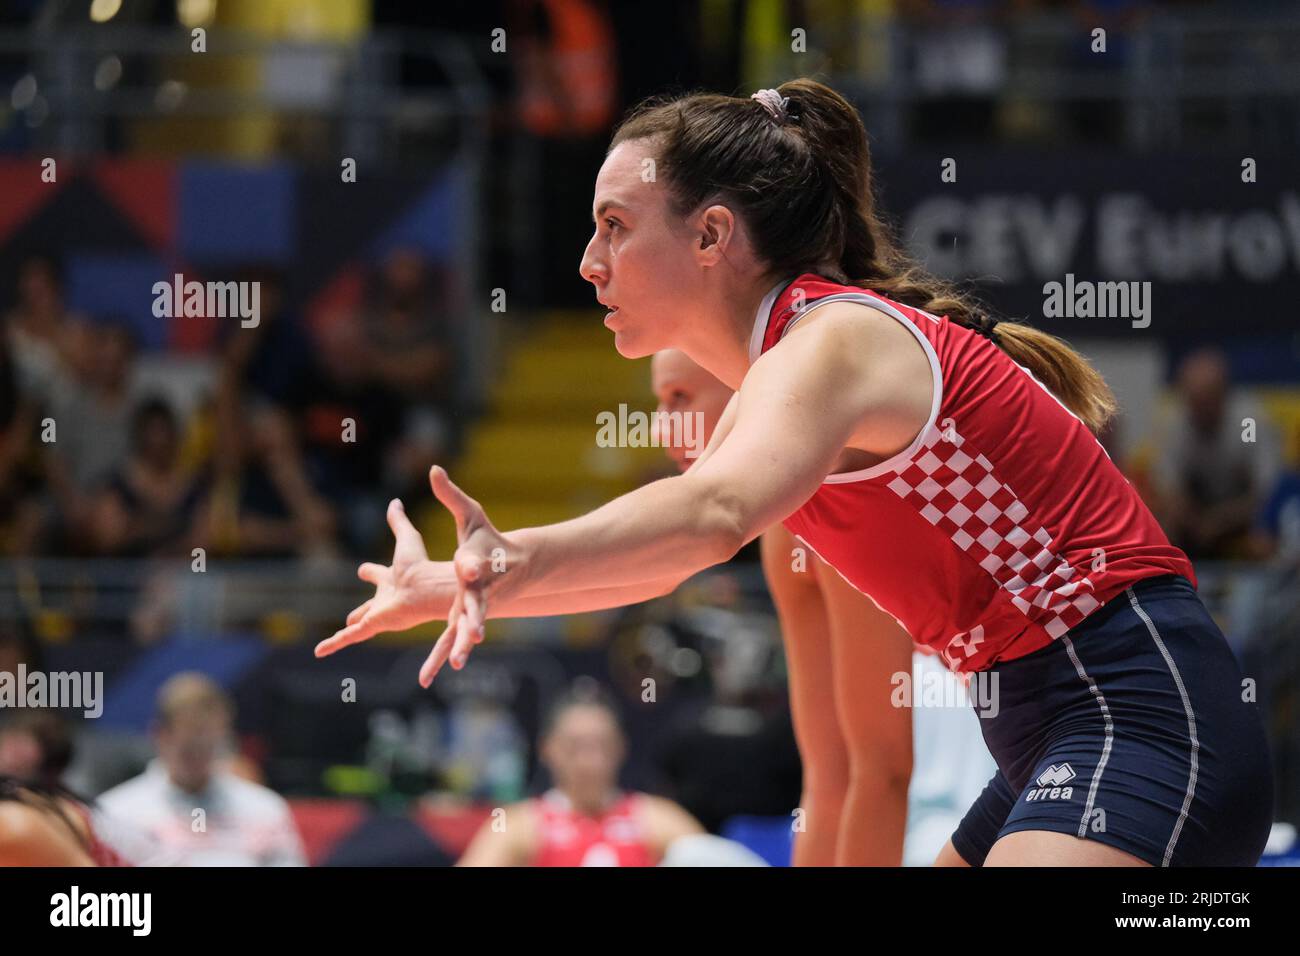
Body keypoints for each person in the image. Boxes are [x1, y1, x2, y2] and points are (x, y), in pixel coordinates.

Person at [319, 79, 1274, 867]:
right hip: (1036, 732)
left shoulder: (835, 339)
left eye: (614, 225)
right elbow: (672, 555)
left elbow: (709, 515)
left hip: (1135, 704)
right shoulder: (777, 390)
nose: (587, 262)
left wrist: (512, 553)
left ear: (712, 236)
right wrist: (464, 578)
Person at [652, 348, 994, 865]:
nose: (661, 428)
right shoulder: (785, 530)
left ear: (746, 386)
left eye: (680, 398)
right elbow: (829, 781)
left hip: (1048, 707)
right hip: (971, 713)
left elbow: (882, 774)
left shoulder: (843, 484)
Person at [457, 686, 710, 866]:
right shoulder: (520, 826)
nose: (590, 761)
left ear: (621, 747)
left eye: (602, 745)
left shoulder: (656, 819)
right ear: (548, 749)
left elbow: (719, 859)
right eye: (575, 746)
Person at [97, 673, 306, 866]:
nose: (198, 758)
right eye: (188, 748)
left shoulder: (266, 809)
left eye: (208, 747)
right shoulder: (115, 815)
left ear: (224, 737)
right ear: (160, 735)